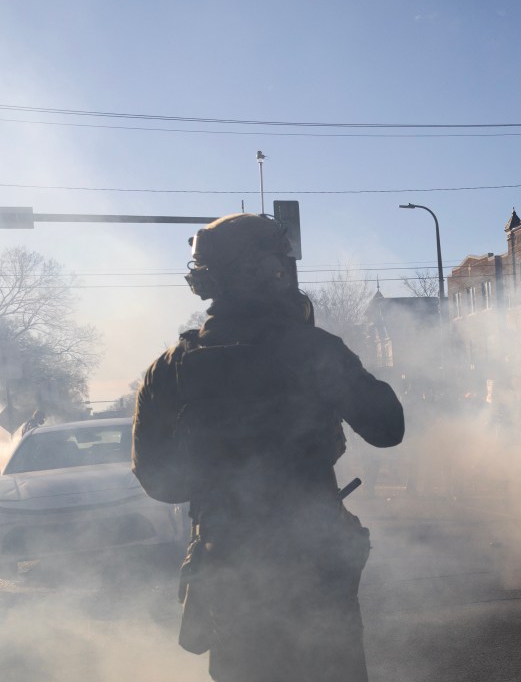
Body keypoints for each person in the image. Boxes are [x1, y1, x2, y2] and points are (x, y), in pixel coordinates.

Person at [133, 213, 405, 682]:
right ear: (272, 271)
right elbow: (387, 427)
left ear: (205, 281)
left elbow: (159, 483)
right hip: (313, 563)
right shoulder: (313, 349)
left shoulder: (171, 367)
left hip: (228, 565)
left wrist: (221, 474)